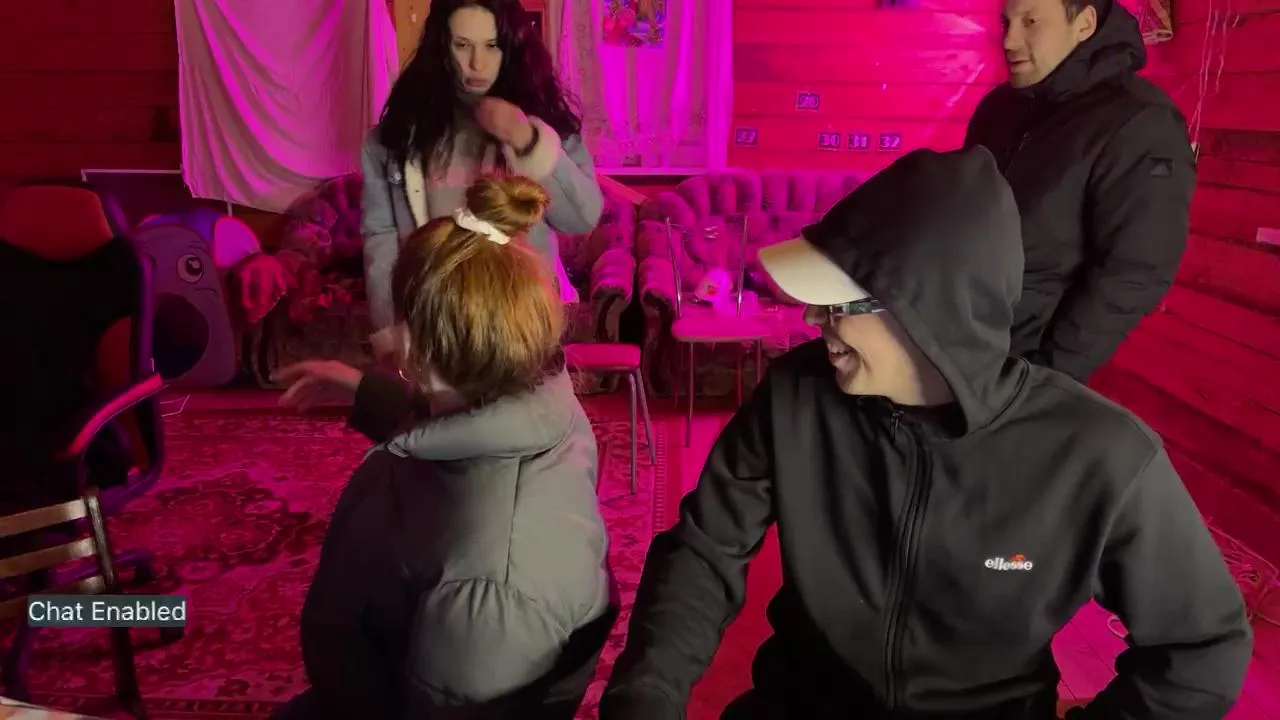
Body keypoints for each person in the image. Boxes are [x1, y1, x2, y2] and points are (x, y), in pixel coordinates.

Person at [599, 148, 1250, 719]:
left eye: (839, 304)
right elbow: (704, 550)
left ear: (935, 312)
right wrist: (645, 693)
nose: (814, 321)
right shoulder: (795, 394)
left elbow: (1201, 649)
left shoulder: (1100, 455)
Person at [273, 176, 612, 718]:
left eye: (400, 315)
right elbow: (462, 432)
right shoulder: (538, 400)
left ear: (415, 346)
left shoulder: (491, 592)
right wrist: (363, 391)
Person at [963, 0, 1195, 382]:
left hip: (1022, 370)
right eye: (1006, 23)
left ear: (1084, 23)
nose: (1009, 40)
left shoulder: (1140, 123)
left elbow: (1133, 272)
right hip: (952, 347)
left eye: (1031, 21)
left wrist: (1043, 380)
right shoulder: (998, 109)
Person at [362, 0, 602, 361]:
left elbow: (583, 217)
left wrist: (526, 139)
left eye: (491, 45)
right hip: (432, 326)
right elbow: (381, 240)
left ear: (512, 46)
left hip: (521, 328)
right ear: (441, 46)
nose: (477, 63)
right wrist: (392, 334)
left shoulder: (541, 118)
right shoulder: (394, 137)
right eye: (463, 45)